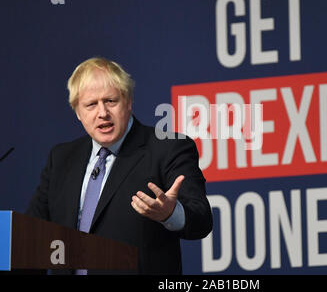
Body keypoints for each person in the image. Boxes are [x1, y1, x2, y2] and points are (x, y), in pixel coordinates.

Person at [25, 57, 213, 275]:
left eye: (111, 101)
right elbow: (31, 236)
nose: (102, 113)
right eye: (91, 105)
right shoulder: (61, 158)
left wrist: (171, 213)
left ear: (129, 101)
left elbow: (201, 219)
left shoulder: (168, 148)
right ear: (78, 112)